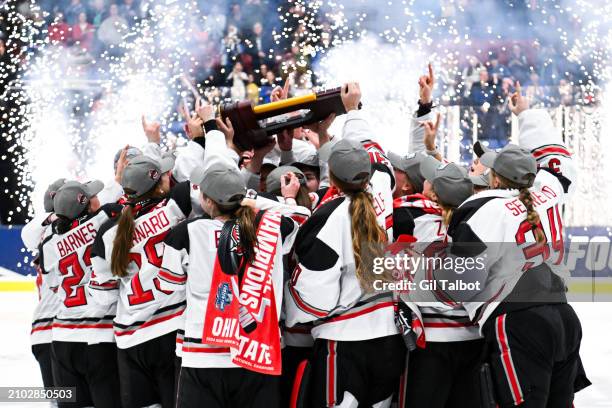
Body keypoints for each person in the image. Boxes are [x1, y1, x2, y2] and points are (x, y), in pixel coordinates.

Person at [434, 85, 590, 406]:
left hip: (518, 322)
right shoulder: (548, 191)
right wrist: (528, 115)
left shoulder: (481, 209)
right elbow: (559, 160)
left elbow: (458, 285)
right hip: (564, 317)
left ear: (494, 178)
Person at [286, 83, 406, 407]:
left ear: (332, 181)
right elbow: (373, 153)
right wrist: (352, 112)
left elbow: (316, 297)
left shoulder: (328, 216)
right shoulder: (380, 186)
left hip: (344, 342)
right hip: (388, 337)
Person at [158, 159, 308, 408]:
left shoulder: (185, 232)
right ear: (244, 197)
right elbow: (302, 217)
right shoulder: (269, 226)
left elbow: (168, 288)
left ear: (207, 200)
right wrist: (260, 201)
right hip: (257, 353)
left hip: (202, 355)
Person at [87, 154, 191, 408]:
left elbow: (103, 296)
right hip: (171, 328)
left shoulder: (108, 231)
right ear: (157, 184)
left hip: (130, 336)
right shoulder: (176, 205)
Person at [398, 156, 483, 408]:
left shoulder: (410, 219)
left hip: (430, 341)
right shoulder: (481, 220)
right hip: (473, 338)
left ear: (433, 194)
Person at [40, 180, 122, 408]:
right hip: (99, 336)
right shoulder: (104, 218)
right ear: (84, 204)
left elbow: (55, 286)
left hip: (62, 341)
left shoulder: (47, 245)